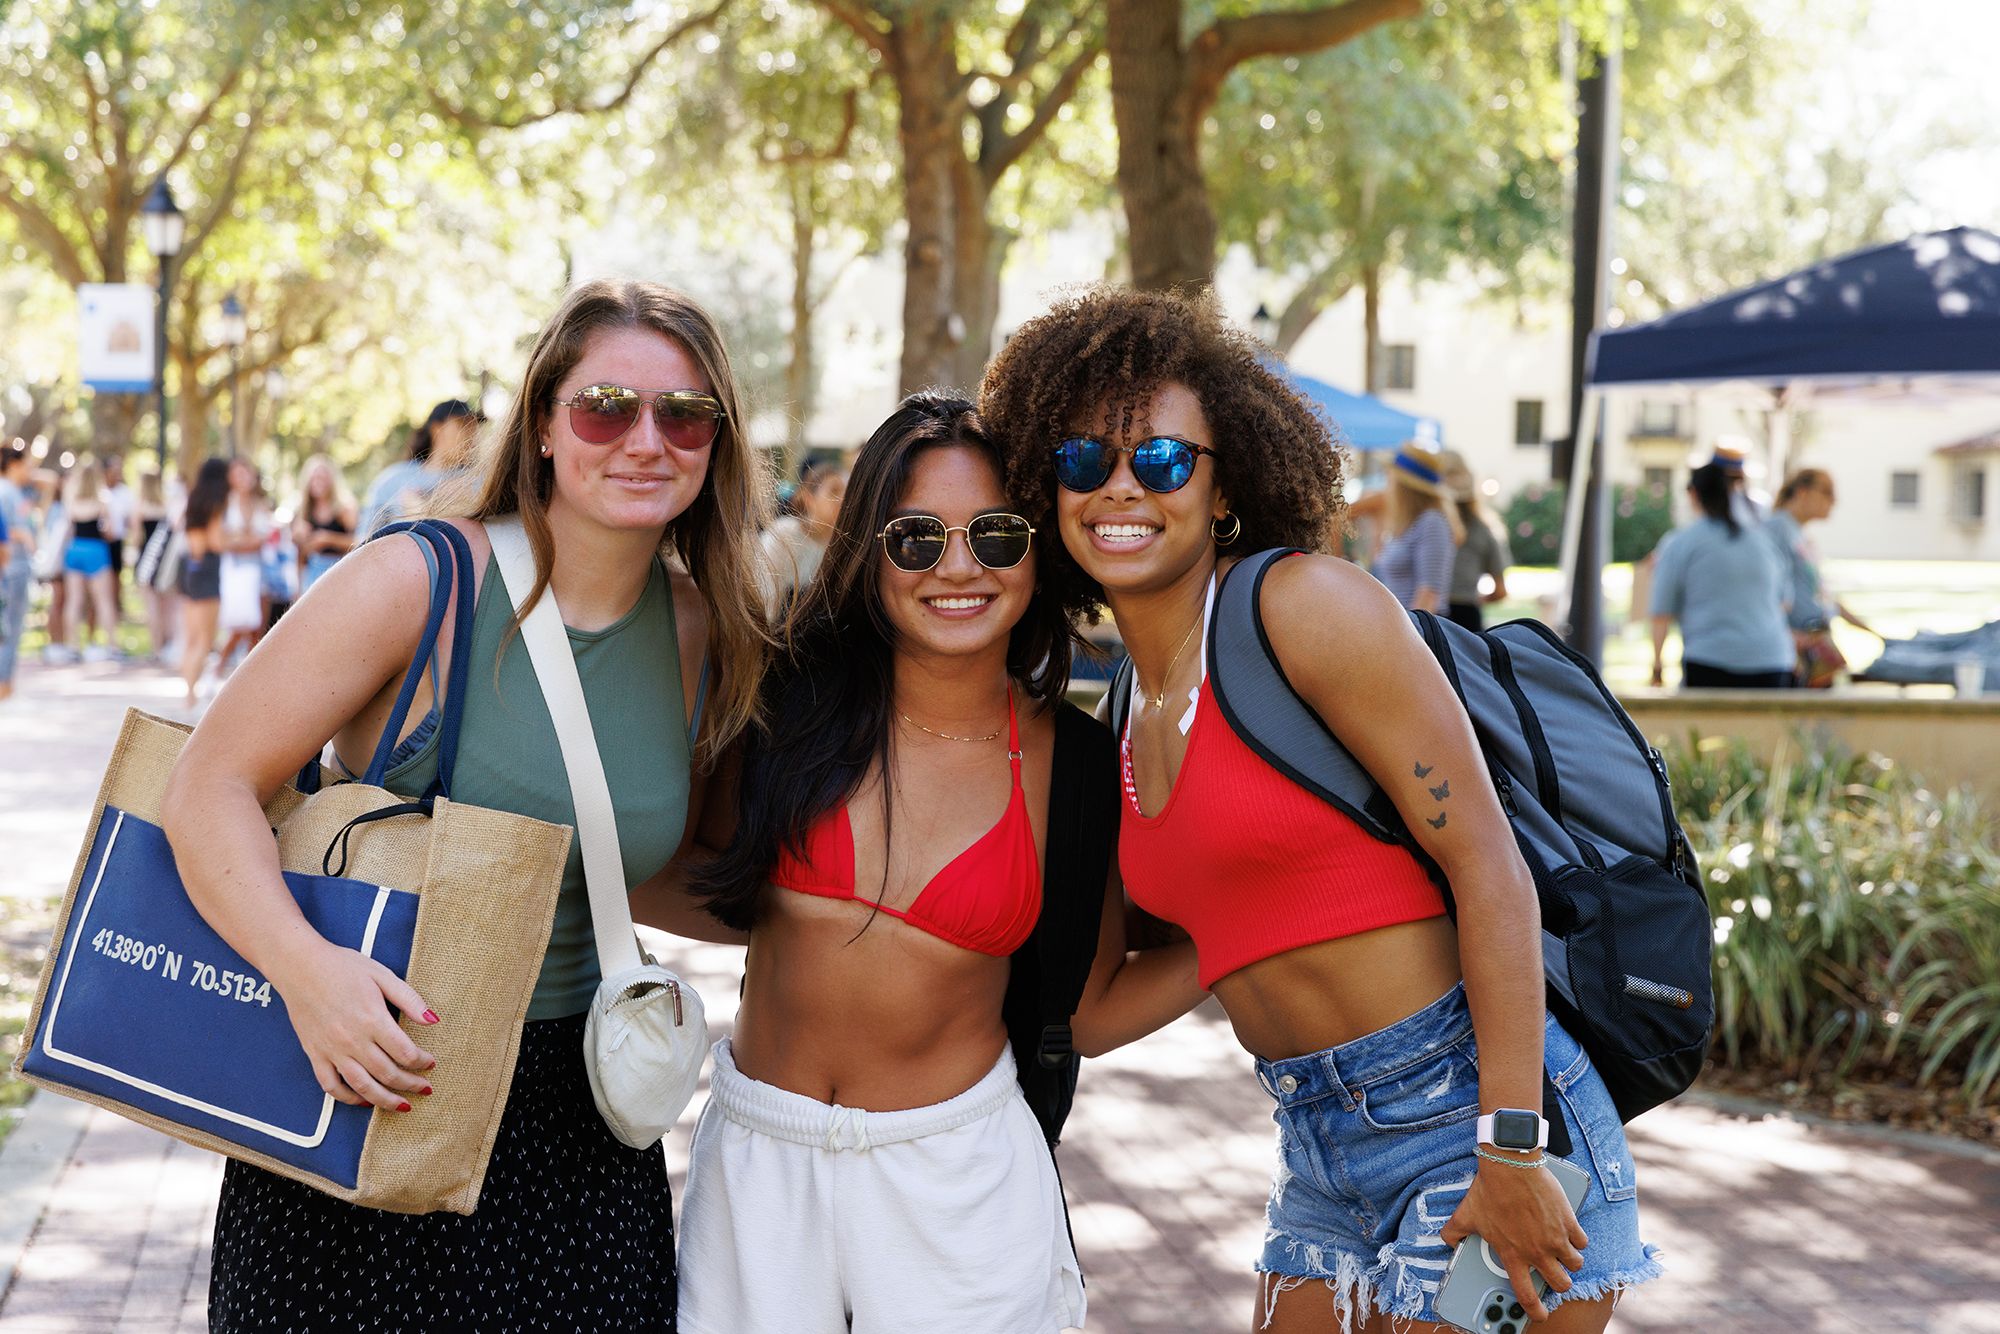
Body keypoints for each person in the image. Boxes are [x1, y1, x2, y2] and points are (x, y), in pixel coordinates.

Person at [981, 285, 1661, 1333]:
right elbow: (1100, 1009)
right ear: (1043, 485)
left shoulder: (1301, 608)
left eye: (1160, 460)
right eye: (1081, 460)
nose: (1119, 487)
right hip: (1316, 1137)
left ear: (1222, 487)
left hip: (1473, 1106)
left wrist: (1511, 1142)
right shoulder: (1123, 708)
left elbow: (1487, 862)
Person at [160, 279, 771, 1331]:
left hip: (580, 1130)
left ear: (716, 442)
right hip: (371, 1074)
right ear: (542, 422)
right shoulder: (418, 580)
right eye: (604, 407)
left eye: (684, 414)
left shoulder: (706, 635)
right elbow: (205, 785)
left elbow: (642, 865)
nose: (644, 439)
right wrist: (309, 975)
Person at [682, 391, 1201, 1334]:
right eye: (917, 538)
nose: (958, 567)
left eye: (996, 536)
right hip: (760, 1166)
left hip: (957, 1180)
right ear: (871, 553)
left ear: (1039, 550)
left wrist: (1249, 936)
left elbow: (1084, 1010)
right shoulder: (783, 702)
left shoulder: (1079, 771)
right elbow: (681, 866)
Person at [1649, 461, 1794, 690]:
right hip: (1772, 661)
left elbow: (1661, 613)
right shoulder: (1763, 541)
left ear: (1693, 494)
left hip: (1709, 660)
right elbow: (1784, 602)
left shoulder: (1681, 543)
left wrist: (1657, 667)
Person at [1763, 468, 1877, 689]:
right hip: (1795, 645)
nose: (1833, 501)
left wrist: (1869, 630)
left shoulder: (1799, 533)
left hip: (1815, 641)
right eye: (1826, 492)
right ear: (1802, 492)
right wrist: (1786, 634)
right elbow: (1769, 589)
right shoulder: (1776, 529)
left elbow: (1819, 592)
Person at [359, 399, 482, 537]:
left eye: (474, 427)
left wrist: (421, 510)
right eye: (463, 425)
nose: (472, 434)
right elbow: (363, 540)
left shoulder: (476, 482)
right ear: (437, 429)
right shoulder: (393, 479)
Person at [1371, 442, 1463, 613]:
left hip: (1415, 630)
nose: (1387, 482)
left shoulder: (1431, 522)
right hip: (1400, 625)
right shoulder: (1408, 523)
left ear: (1404, 484)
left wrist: (1407, 635)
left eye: (1390, 475)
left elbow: (1429, 594)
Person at [756, 456, 847, 620]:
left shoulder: (844, 545)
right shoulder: (783, 535)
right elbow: (764, 599)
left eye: (845, 492)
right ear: (809, 498)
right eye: (834, 491)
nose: (842, 500)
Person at [176, 458, 231, 708]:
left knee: (191, 637)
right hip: (209, 567)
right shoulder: (216, 504)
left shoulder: (193, 500)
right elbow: (217, 541)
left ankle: (189, 692)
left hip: (191, 568)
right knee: (205, 638)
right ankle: (191, 696)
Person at [58, 456, 122, 663]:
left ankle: (72, 646)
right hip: (96, 550)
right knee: (103, 600)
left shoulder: (71, 498)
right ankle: (112, 645)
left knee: (74, 601)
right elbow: (111, 530)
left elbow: (67, 526)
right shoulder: (102, 498)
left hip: (75, 548)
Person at [1441, 451, 1513, 632]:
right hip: (1467, 612)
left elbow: (1500, 591)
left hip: (1437, 611)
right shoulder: (1485, 528)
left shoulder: (1428, 524)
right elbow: (1501, 591)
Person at [215, 457, 272, 671]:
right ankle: (218, 668)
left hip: (260, 569)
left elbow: (263, 539)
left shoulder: (260, 503)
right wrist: (246, 541)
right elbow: (223, 540)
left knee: (258, 626)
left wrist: (243, 539)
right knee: (239, 623)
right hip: (235, 570)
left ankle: (249, 671)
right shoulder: (225, 504)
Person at [291, 453, 359, 593]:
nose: (318, 482)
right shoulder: (303, 511)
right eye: (314, 478)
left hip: (340, 571)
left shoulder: (344, 508)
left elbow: (359, 542)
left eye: (322, 477)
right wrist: (298, 539)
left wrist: (328, 539)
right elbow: (300, 556)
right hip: (312, 575)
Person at [0, 444, 37, 700]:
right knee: (9, 628)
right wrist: (22, 535)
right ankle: (4, 683)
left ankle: (7, 681)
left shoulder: (14, 491)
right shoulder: (5, 492)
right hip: (11, 568)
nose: (30, 471)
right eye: (25, 465)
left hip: (17, 566)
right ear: (13, 464)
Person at [133, 468, 179, 662]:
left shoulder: (140, 507)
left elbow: (136, 537)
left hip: (147, 560)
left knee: (152, 608)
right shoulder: (167, 507)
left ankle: (157, 648)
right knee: (167, 607)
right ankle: (170, 646)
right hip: (164, 562)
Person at [101, 453, 136, 612]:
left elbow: (130, 520)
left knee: (116, 575)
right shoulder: (98, 490)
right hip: (99, 541)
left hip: (117, 540)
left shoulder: (125, 493)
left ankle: (116, 607)